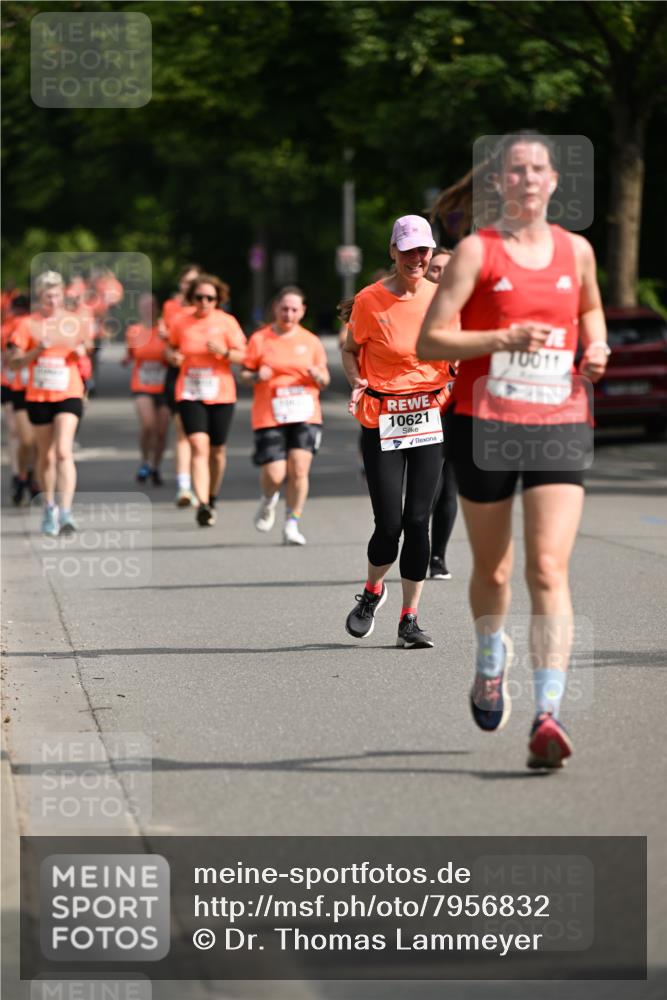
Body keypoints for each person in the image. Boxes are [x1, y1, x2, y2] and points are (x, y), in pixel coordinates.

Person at [417, 131, 609, 768]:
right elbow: (432, 342)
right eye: (516, 170)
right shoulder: (477, 251)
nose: (528, 179)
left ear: (555, 182)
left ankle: (548, 713)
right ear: (499, 183)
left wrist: (599, 349)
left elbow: (590, 315)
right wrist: (503, 338)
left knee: (548, 569)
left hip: (559, 419)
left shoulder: (576, 251)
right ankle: (489, 655)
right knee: (495, 570)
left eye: (539, 170)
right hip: (486, 422)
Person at [341, 216, 455, 649]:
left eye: (423, 250)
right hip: (383, 418)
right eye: (408, 251)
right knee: (389, 524)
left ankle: (410, 618)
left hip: (428, 416)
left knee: (418, 520)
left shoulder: (444, 298)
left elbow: (457, 349)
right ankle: (372, 592)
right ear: (392, 252)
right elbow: (351, 351)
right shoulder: (370, 300)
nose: (417, 258)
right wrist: (356, 379)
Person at [241, 286, 329, 546]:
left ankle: (292, 523)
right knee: (275, 475)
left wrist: (317, 376)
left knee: (300, 469)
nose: (288, 314)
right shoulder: (260, 339)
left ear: (302, 312)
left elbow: (325, 379)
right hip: (270, 413)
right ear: (275, 309)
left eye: (294, 309)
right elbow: (244, 374)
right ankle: (268, 499)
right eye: (284, 308)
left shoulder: (311, 341)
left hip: (305, 413)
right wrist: (257, 376)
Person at [7, 271, 93, 535]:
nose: (52, 301)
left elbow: (88, 345)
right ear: (39, 298)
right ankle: (49, 506)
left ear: (62, 295)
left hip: (69, 392)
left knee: (63, 452)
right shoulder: (26, 325)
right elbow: (14, 361)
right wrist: (37, 350)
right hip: (39, 395)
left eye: (56, 295)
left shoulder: (73, 321)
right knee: (45, 454)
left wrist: (82, 350)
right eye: (47, 296)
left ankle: (66, 512)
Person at [167, 273, 246, 526]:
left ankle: (212, 497)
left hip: (221, 393)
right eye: (199, 297)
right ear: (191, 298)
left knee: (217, 451)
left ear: (218, 300)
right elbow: (169, 346)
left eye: (210, 298)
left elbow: (246, 356)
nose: (204, 302)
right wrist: (172, 357)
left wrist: (225, 353)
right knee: (199, 447)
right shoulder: (181, 322)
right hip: (190, 391)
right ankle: (201, 503)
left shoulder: (227, 322)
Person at [425, 248, 459, 580]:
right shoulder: (414, 308)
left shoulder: (465, 308)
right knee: (429, 485)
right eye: (435, 269)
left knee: (449, 485)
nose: (440, 275)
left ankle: (438, 558)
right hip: (421, 407)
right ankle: (417, 546)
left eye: (447, 270)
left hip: (457, 406)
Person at [161, 264, 201, 507]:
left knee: (203, 438)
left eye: (194, 282)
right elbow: (167, 340)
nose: (190, 287)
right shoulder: (171, 307)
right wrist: (171, 354)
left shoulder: (210, 306)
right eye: (186, 282)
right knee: (182, 430)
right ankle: (184, 486)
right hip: (179, 372)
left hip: (207, 377)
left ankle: (201, 483)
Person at [123, 292, 169, 485]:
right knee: (148, 425)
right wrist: (126, 360)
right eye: (144, 306)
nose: (148, 309)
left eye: (151, 306)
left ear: (157, 308)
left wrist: (168, 342)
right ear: (139, 310)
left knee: (161, 431)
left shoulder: (165, 330)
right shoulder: (133, 331)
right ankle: (144, 461)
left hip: (165, 385)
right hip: (142, 384)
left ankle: (156, 466)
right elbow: (131, 355)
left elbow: (176, 352)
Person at [2, 294, 36, 504]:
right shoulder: (6, 330)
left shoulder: (34, 328)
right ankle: (18, 473)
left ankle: (28, 471)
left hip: (32, 386)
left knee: (29, 436)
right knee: (16, 432)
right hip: (9, 383)